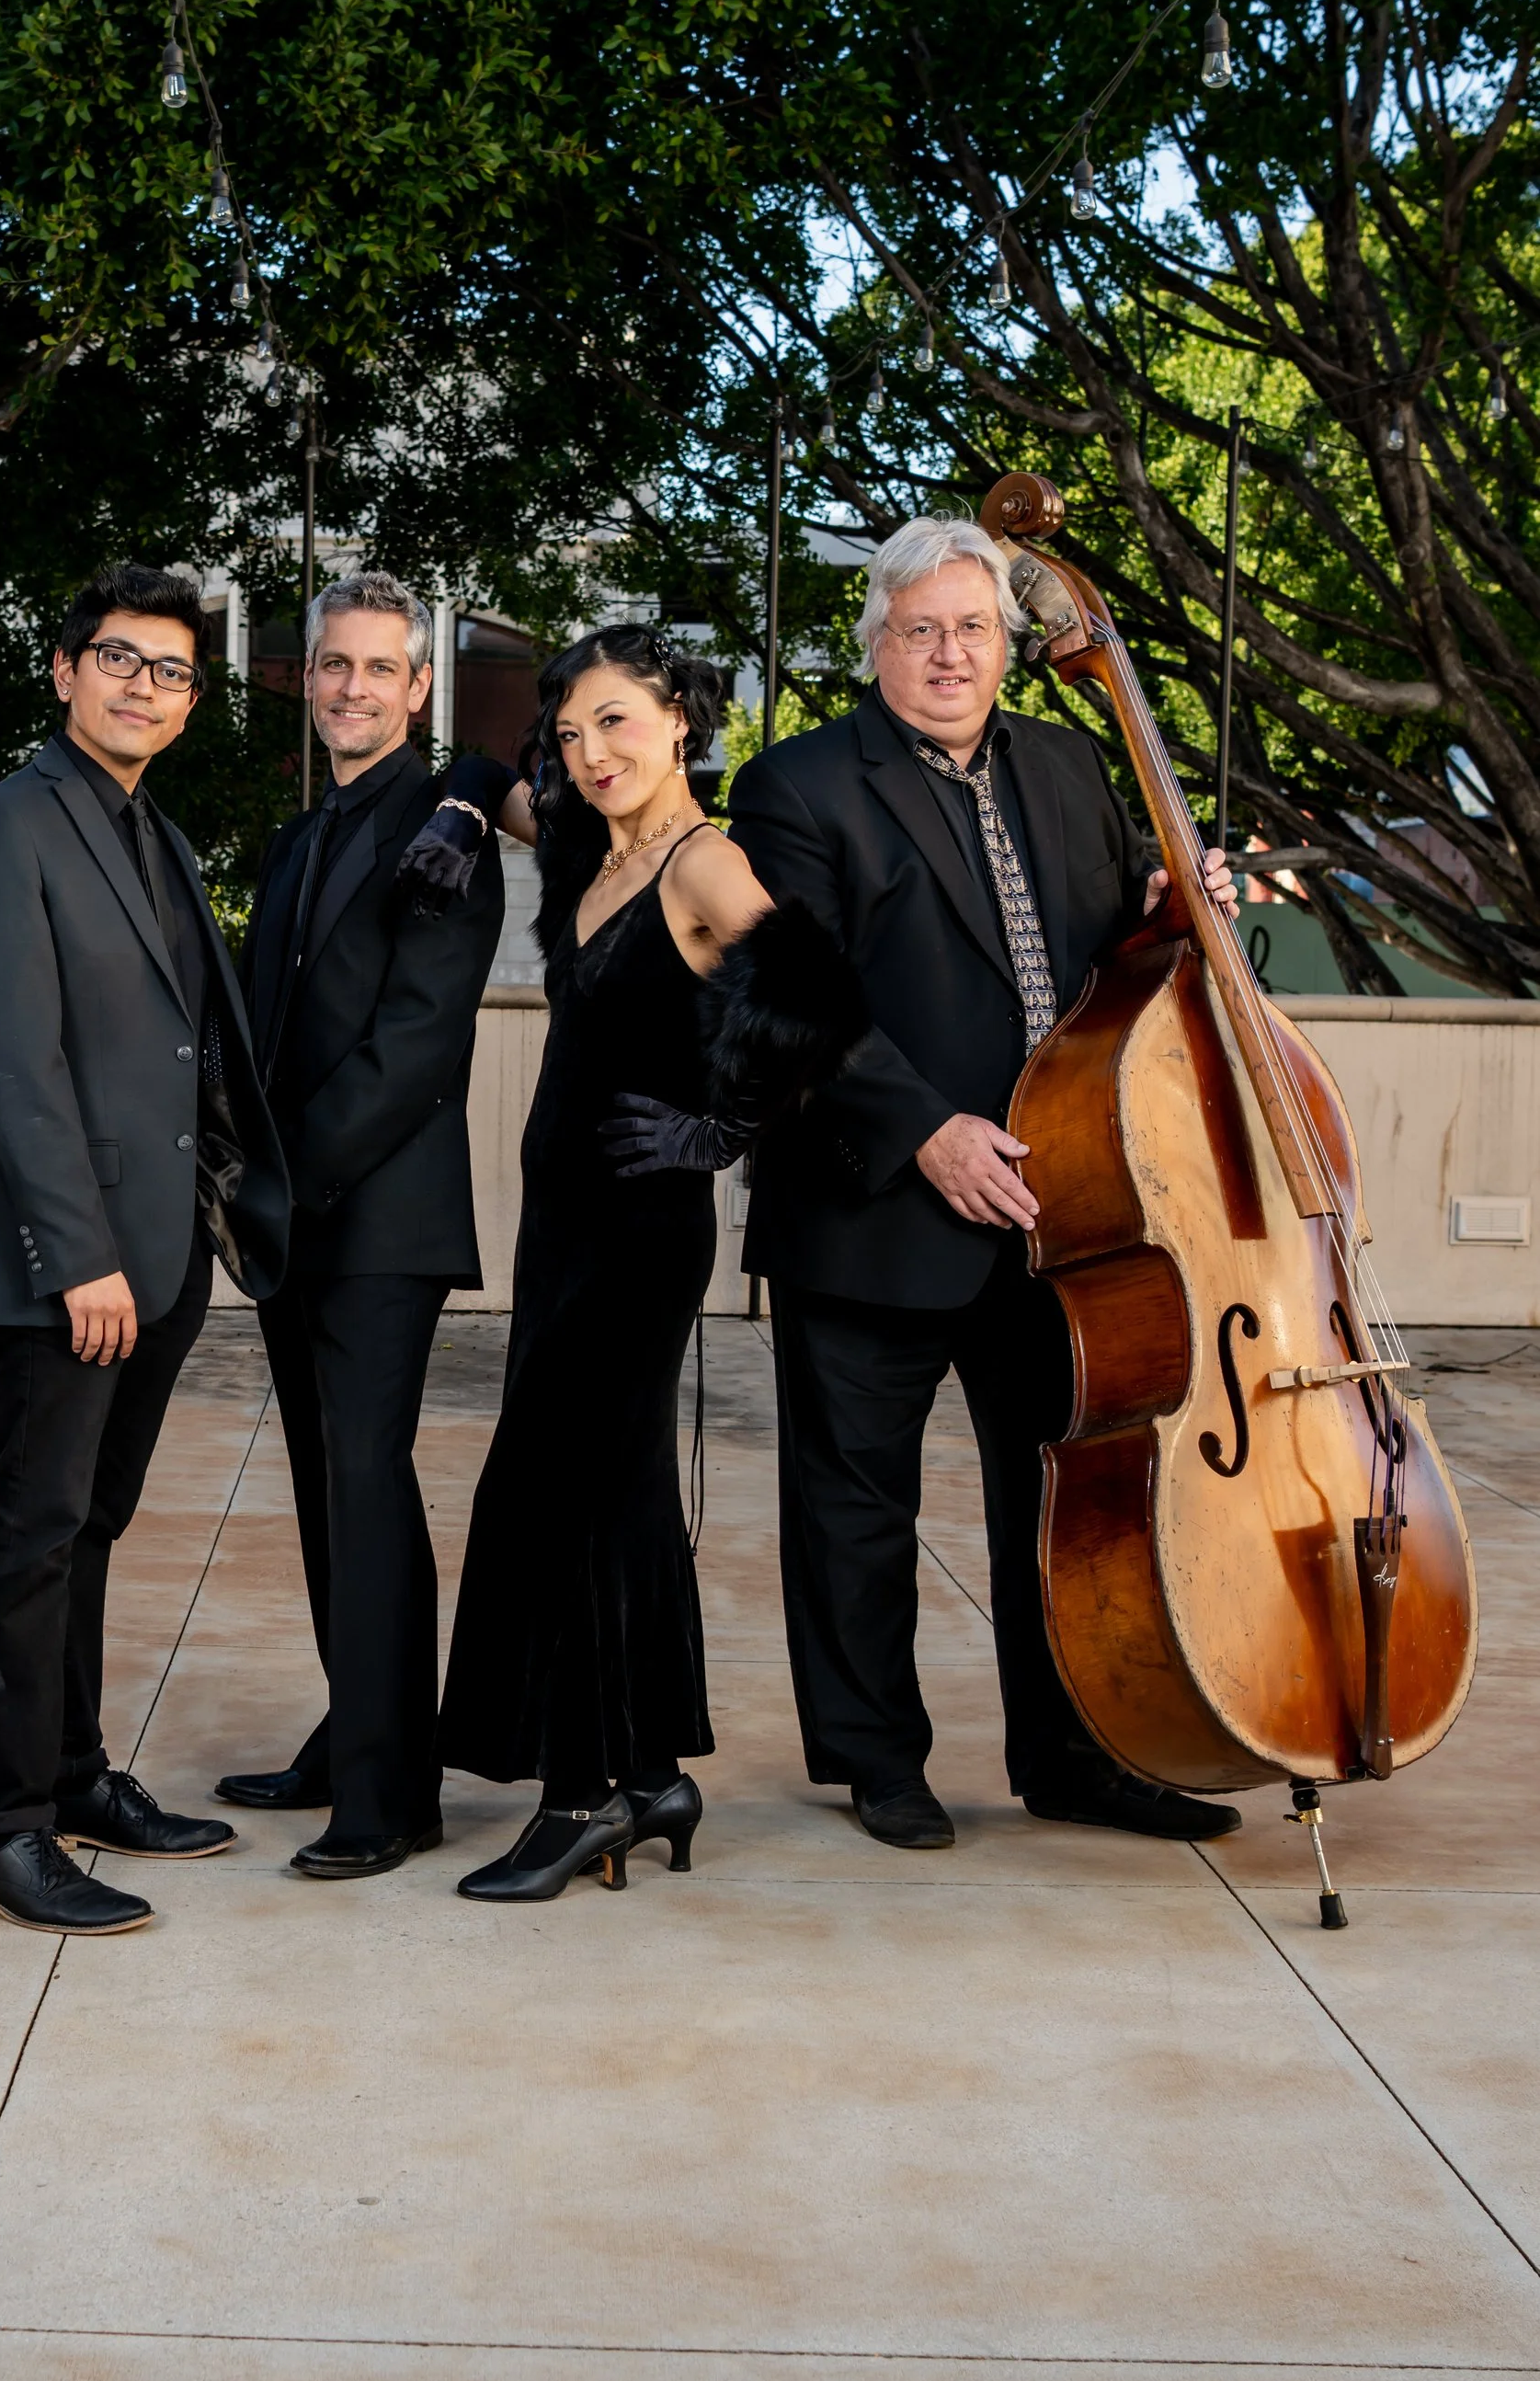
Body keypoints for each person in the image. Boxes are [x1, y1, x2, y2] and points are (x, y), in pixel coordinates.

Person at [722, 515, 1244, 1851]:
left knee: (1068, 1505)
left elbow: (1108, 942)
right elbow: (796, 996)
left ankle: (1074, 1754)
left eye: (972, 629)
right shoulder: (796, 786)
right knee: (856, 1504)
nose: (949, 654)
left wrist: (1182, 904)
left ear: (1006, 643)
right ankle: (877, 1761)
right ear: (875, 643)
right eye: (920, 630)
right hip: (877, 1203)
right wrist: (927, 1134)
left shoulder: (1069, 764)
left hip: (1066, 1207)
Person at [428, 628, 865, 1903]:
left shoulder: (702, 861)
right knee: (608, 1497)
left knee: (556, 1491)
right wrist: (462, 805)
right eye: (570, 733)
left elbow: (823, 1003)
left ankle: (584, 1796)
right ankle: (648, 1773)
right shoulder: (585, 844)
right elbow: (467, 759)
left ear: (682, 721)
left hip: (640, 1230)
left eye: (617, 722)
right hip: (561, 1222)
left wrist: (723, 1130)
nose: (590, 753)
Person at [0, 564, 290, 1938]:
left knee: (91, 1524)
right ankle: (1, 1827)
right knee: (30, 1534)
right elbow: (10, 1061)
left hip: (162, 1251)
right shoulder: (3, 825)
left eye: (173, 672)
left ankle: (72, 1774)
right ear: (66, 669)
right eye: (121, 660)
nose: (146, 686)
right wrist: (76, 1255)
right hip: (70, 1261)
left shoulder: (157, 834)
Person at [211, 573, 505, 1878]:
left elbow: (413, 1047)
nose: (352, 688)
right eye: (334, 665)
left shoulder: (451, 827)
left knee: (370, 1492)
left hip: (378, 1218)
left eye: (379, 670)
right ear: (305, 676)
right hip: (294, 1220)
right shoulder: (297, 836)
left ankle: (393, 1795)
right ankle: (356, 1732)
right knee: (329, 1496)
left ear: (418, 688)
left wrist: (288, 1178)